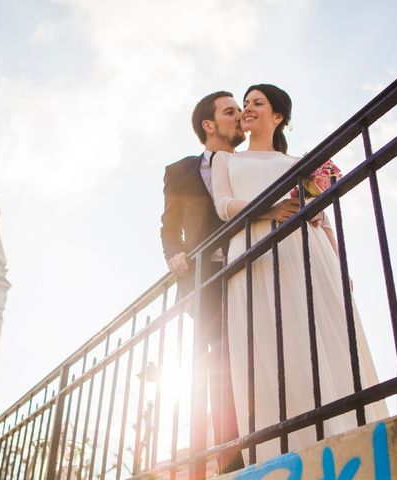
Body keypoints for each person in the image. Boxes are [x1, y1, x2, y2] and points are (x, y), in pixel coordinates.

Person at [211, 84, 387, 463]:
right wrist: (271, 209)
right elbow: (224, 206)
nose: (247, 110)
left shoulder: (298, 165)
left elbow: (322, 223)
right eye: (244, 105)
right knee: (269, 346)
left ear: (278, 117)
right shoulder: (225, 160)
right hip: (255, 253)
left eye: (257, 103)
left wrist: (340, 266)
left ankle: (349, 439)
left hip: (304, 252)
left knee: (318, 336)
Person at [160, 91, 246, 472]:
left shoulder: (252, 163)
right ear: (208, 125)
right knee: (218, 362)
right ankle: (231, 455)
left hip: (252, 264)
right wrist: (173, 253)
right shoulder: (179, 170)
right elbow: (169, 224)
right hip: (206, 279)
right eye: (230, 112)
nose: (240, 117)